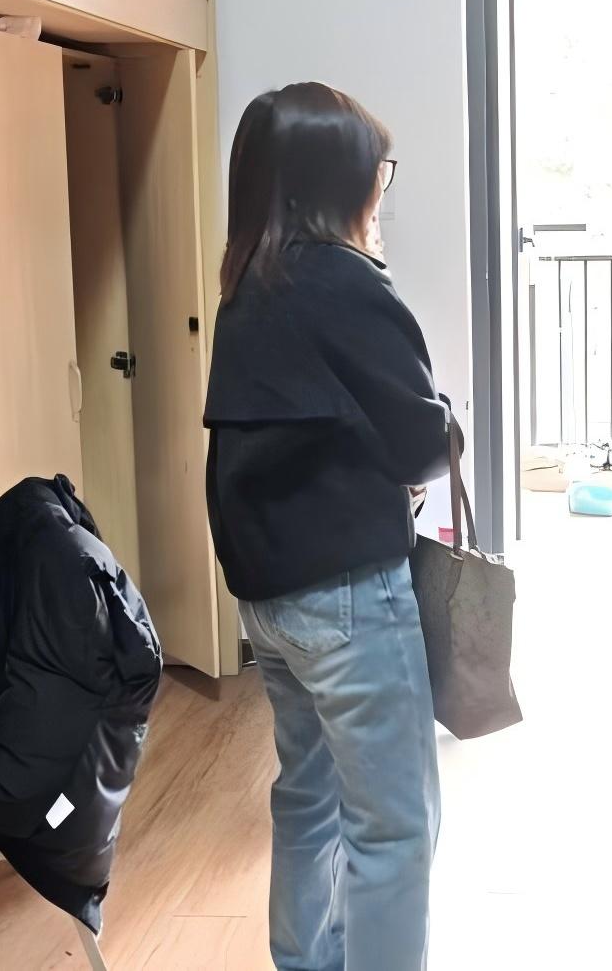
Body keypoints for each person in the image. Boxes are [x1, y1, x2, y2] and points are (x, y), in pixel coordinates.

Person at [203, 83, 453, 971]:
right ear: (340, 180)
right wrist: (448, 431)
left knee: (306, 796)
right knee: (394, 826)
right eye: (378, 170)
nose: (382, 186)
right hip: (347, 595)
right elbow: (422, 438)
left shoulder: (248, 280)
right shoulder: (343, 278)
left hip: (268, 600)